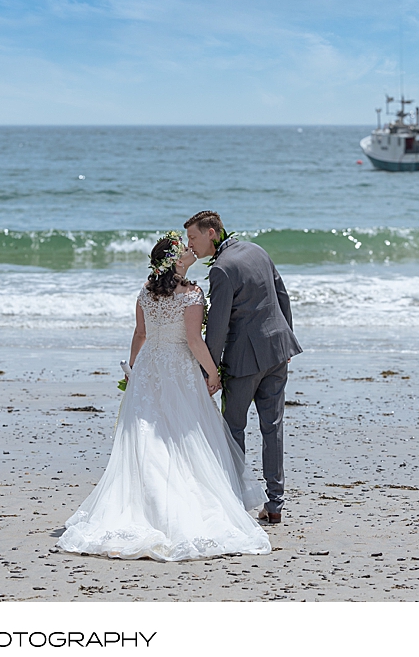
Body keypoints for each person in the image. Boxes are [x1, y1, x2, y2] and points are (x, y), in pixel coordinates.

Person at [56, 231, 270, 561]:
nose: (189, 250)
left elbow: (140, 334)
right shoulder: (192, 293)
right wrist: (213, 373)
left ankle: (144, 502)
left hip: (149, 369)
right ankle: (176, 507)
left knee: (145, 437)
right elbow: (194, 342)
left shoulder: (145, 291)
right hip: (179, 370)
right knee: (183, 435)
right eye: (183, 249)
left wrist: (132, 369)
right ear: (174, 261)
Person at [185, 211, 302, 524]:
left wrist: (210, 370)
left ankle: (234, 501)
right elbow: (282, 296)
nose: (190, 245)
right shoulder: (256, 249)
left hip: (244, 361)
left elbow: (218, 329)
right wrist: (287, 339)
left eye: (193, 238)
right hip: (277, 350)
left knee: (233, 429)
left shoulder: (222, 269)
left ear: (211, 233)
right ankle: (275, 505)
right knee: (273, 428)